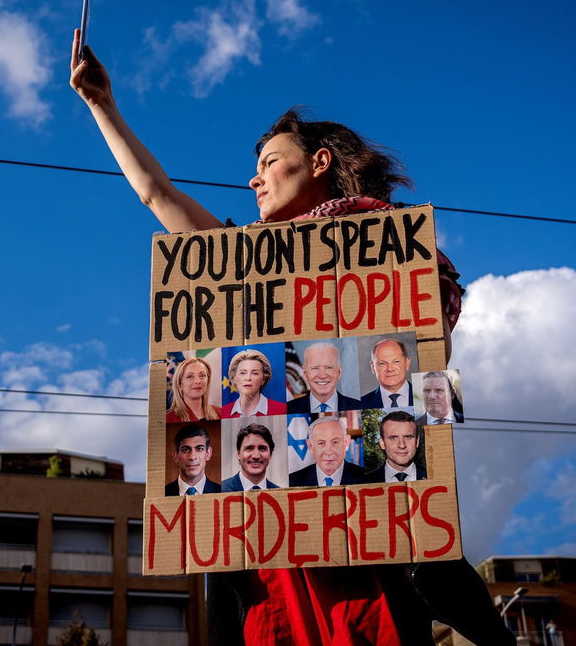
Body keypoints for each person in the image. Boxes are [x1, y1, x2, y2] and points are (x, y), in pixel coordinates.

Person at [71, 34, 511, 646]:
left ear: (321, 163)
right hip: (264, 554)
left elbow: (420, 366)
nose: (253, 181)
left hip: (370, 540)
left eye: (270, 162)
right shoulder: (239, 262)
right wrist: (101, 105)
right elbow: (158, 196)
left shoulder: (398, 252)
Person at [287, 342, 362, 414]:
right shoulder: (288, 409)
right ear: (305, 374)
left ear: (339, 372)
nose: (322, 375)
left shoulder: (359, 406)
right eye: (315, 368)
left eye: (328, 367)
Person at [289, 417, 365, 487]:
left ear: (346, 443)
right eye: (321, 443)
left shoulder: (365, 478)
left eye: (335, 442)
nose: (328, 452)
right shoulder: (292, 481)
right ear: (310, 447)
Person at [220, 349, 287, 417]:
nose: (248, 378)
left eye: (255, 373)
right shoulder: (223, 413)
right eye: (243, 373)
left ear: (263, 379)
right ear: (234, 378)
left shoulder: (283, 410)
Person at [366, 411, 427, 482]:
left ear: (417, 442)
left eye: (408, 437)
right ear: (382, 443)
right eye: (393, 438)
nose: (402, 445)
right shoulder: (364, 481)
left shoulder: (433, 477)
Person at [164, 424, 221, 496]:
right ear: (176, 455)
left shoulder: (222, 493)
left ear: (208, 453)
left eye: (199, 449)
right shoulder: (162, 494)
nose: (192, 457)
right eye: (185, 450)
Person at [220, 422, 279, 491]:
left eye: (262, 448)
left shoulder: (281, 495)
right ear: (238, 454)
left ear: (270, 454)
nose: (256, 456)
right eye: (249, 449)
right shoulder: (220, 490)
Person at [362, 338, 414, 409]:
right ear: (373, 367)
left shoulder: (425, 397)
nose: (390, 369)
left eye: (396, 362)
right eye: (382, 363)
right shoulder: (361, 404)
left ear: (407, 363)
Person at [166, 356, 221, 422]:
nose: (198, 381)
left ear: (208, 381)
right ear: (180, 384)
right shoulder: (168, 419)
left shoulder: (221, 413)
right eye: (190, 376)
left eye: (202, 375)